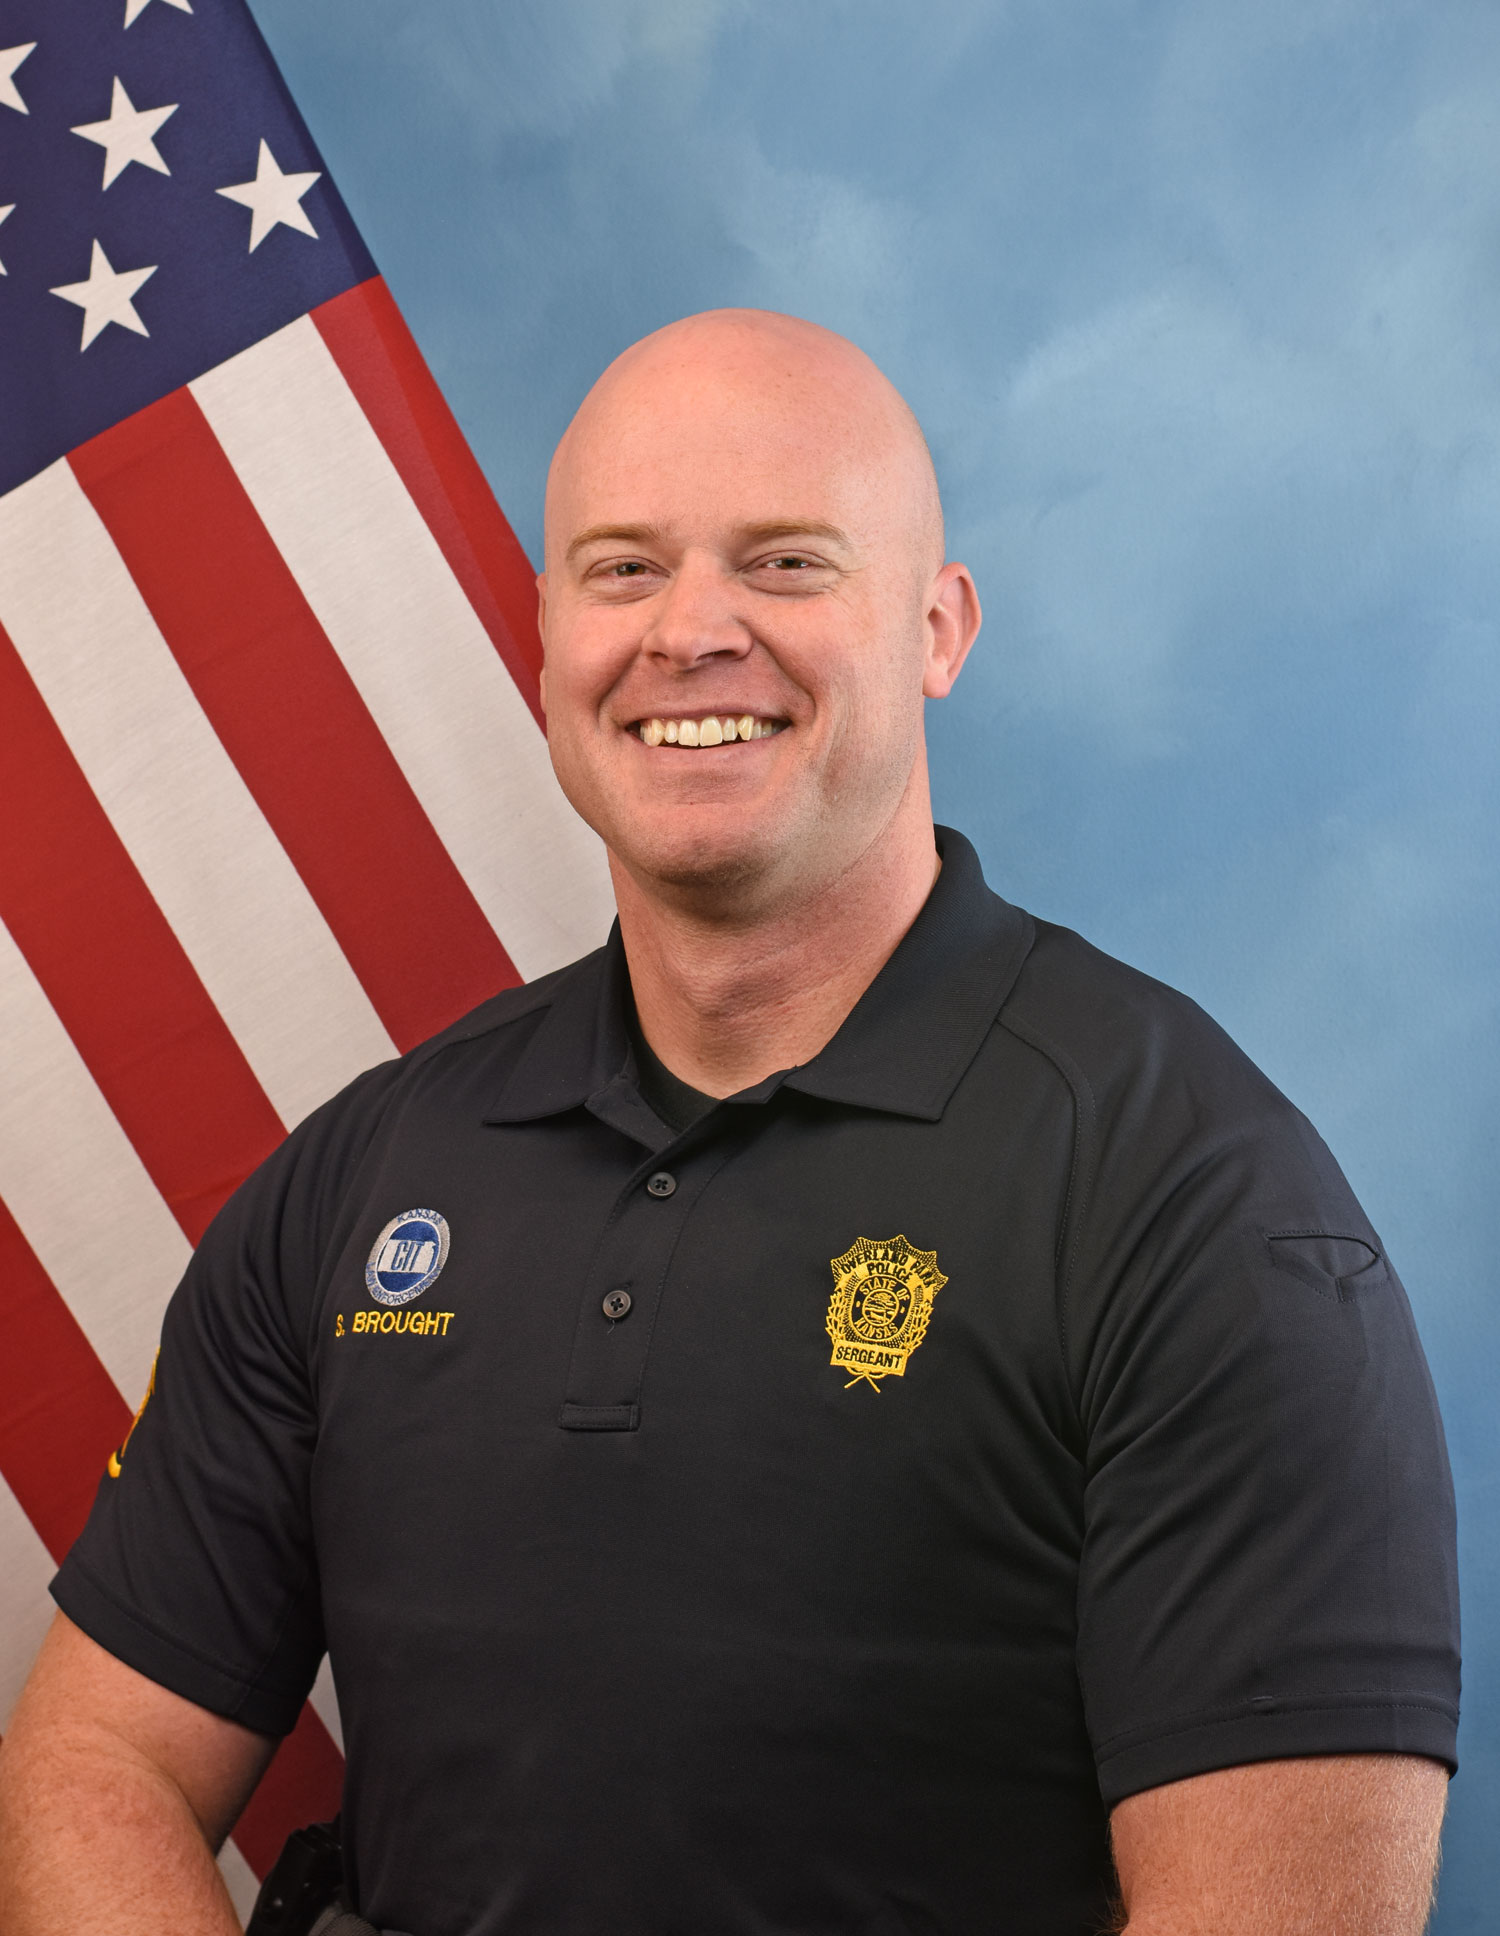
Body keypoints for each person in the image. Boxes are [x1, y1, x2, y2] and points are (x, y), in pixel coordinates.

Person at [0, 310, 1459, 1936]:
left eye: (784, 564)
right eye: (624, 569)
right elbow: (96, 1766)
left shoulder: (1194, 1204)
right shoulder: (360, 1180)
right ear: (546, 634)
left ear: (938, 629)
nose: (691, 632)